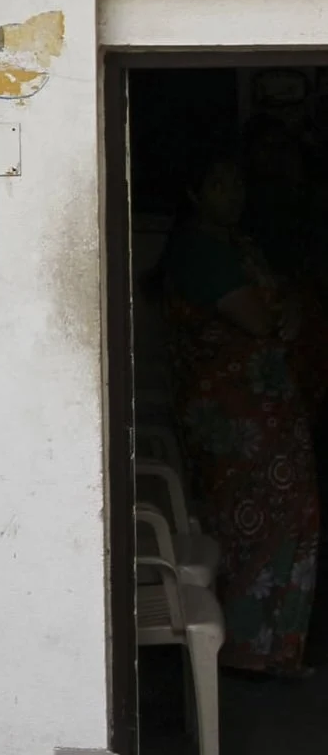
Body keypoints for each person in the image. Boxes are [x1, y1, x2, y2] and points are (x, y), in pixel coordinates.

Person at [158, 145, 320, 677]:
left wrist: (287, 311)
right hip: (232, 418)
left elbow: (282, 306)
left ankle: (272, 651)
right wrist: (279, 316)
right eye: (219, 185)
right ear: (194, 194)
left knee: (286, 515)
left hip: (265, 410)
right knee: (252, 521)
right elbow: (257, 318)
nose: (233, 195)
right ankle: (247, 650)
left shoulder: (238, 246)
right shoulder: (199, 251)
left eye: (237, 184)